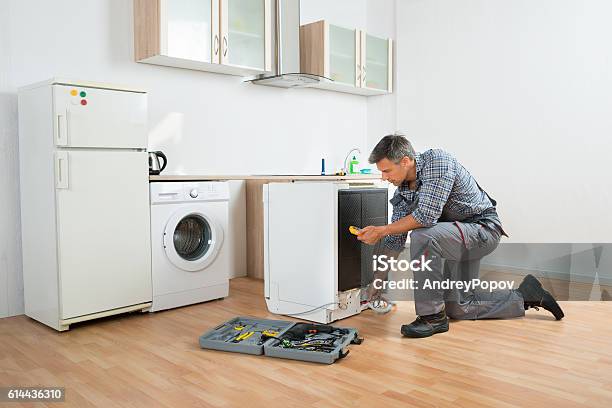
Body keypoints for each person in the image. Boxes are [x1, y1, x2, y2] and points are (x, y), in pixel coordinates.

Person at [357, 134, 564, 338]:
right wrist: (378, 281)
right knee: (459, 307)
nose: (384, 177)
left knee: (423, 236)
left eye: (386, 171)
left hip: (482, 230)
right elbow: (395, 240)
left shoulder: (437, 162)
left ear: (405, 161)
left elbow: (425, 217)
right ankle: (526, 296)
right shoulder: (402, 192)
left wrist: (382, 229)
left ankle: (432, 318)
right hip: (455, 237)